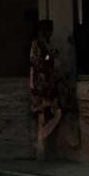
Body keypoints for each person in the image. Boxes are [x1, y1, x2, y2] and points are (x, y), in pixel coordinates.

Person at [24, 16, 78, 158]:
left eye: (50, 31)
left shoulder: (46, 44)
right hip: (40, 85)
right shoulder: (36, 44)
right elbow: (37, 62)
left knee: (52, 114)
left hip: (48, 84)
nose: (49, 33)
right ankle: (40, 148)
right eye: (47, 31)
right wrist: (50, 57)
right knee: (43, 115)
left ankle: (44, 148)